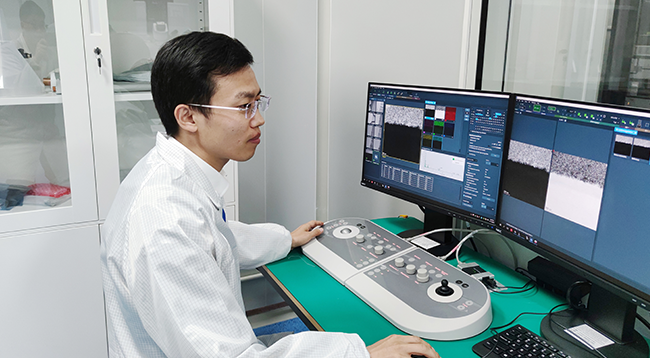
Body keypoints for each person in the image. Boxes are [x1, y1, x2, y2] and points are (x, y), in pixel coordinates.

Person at [100, 31, 441, 358]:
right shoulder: (164, 221)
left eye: (257, 102)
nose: (259, 119)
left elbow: (213, 237)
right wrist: (360, 353)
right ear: (188, 117)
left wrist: (284, 239)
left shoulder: (174, 176)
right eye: (244, 107)